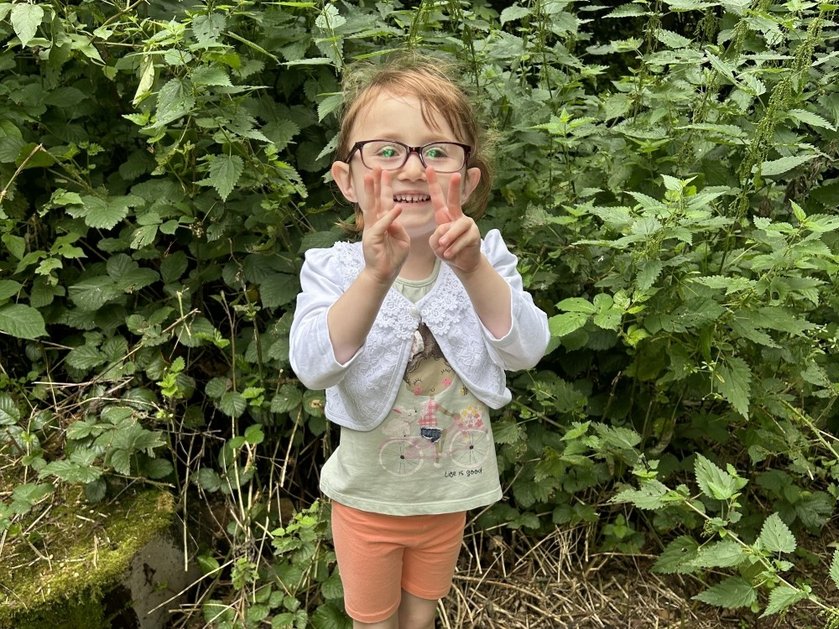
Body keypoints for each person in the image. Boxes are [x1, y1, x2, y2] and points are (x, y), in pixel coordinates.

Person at [289, 54, 550, 629]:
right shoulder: (333, 269)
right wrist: (375, 276)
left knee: (421, 615)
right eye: (386, 150)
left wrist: (475, 269)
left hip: (449, 495)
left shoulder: (489, 259)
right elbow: (313, 366)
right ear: (347, 181)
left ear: (468, 179)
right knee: (374, 621)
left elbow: (526, 350)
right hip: (367, 500)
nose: (412, 169)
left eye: (436, 151)